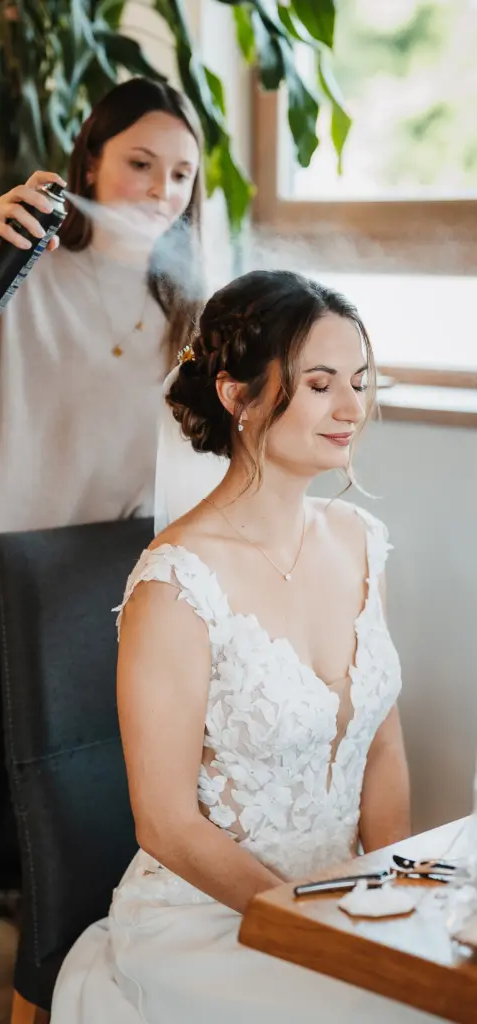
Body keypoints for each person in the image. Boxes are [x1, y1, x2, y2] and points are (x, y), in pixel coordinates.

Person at [0, 77, 205, 1023]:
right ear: (90, 159)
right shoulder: (18, 272)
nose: (159, 189)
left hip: (98, 619)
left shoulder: (190, 313)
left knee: (91, 857)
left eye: (180, 174)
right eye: (139, 163)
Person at [50, 269, 443, 1022]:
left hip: (343, 899)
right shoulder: (176, 583)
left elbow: (381, 745)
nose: (351, 407)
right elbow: (163, 821)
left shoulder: (361, 541)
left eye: (360, 382)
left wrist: (390, 897)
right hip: (206, 922)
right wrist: (303, 921)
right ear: (237, 395)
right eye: (321, 383)